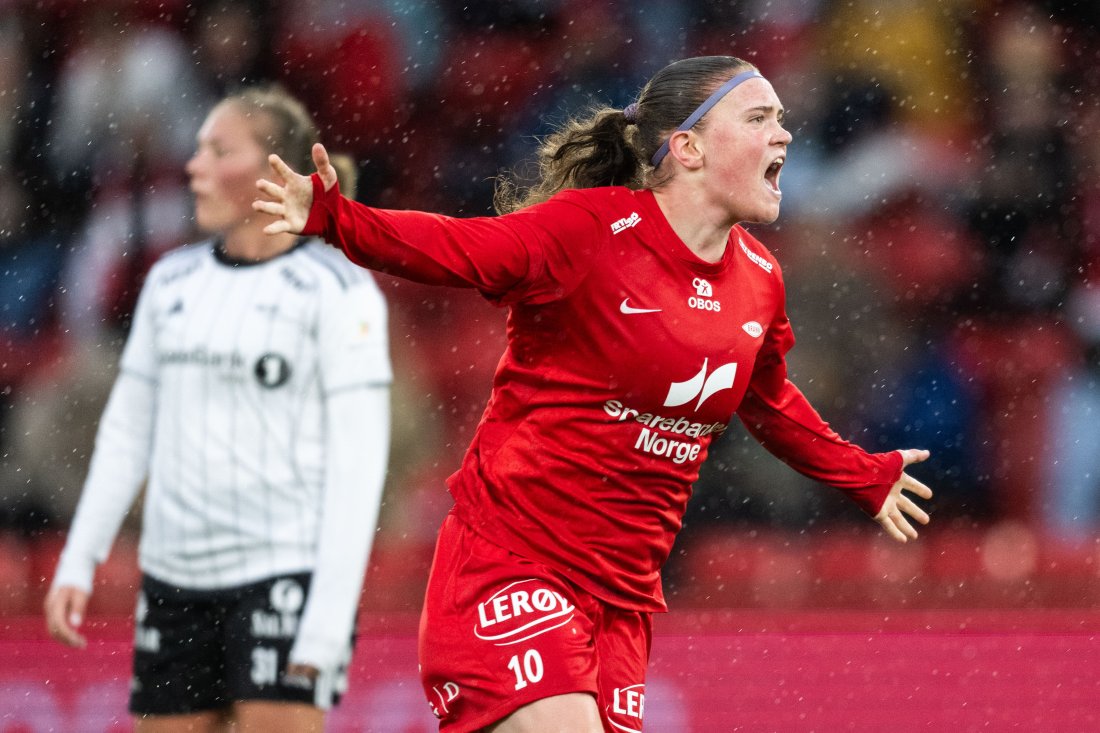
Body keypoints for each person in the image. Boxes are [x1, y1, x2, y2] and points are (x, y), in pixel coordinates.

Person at [254, 56, 933, 733]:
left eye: (781, 119)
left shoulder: (760, 278)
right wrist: (336, 219)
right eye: (758, 118)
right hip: (511, 566)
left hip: (622, 603)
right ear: (688, 148)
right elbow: (458, 246)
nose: (782, 134)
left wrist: (861, 472)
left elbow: (769, 399)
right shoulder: (589, 232)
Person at [44, 86, 393, 732]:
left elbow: (360, 464)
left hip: (283, 575)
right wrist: (79, 559)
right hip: (173, 581)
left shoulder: (340, 292)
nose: (194, 165)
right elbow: (127, 432)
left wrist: (326, 618)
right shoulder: (168, 282)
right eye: (198, 148)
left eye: (218, 150)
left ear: (273, 172)